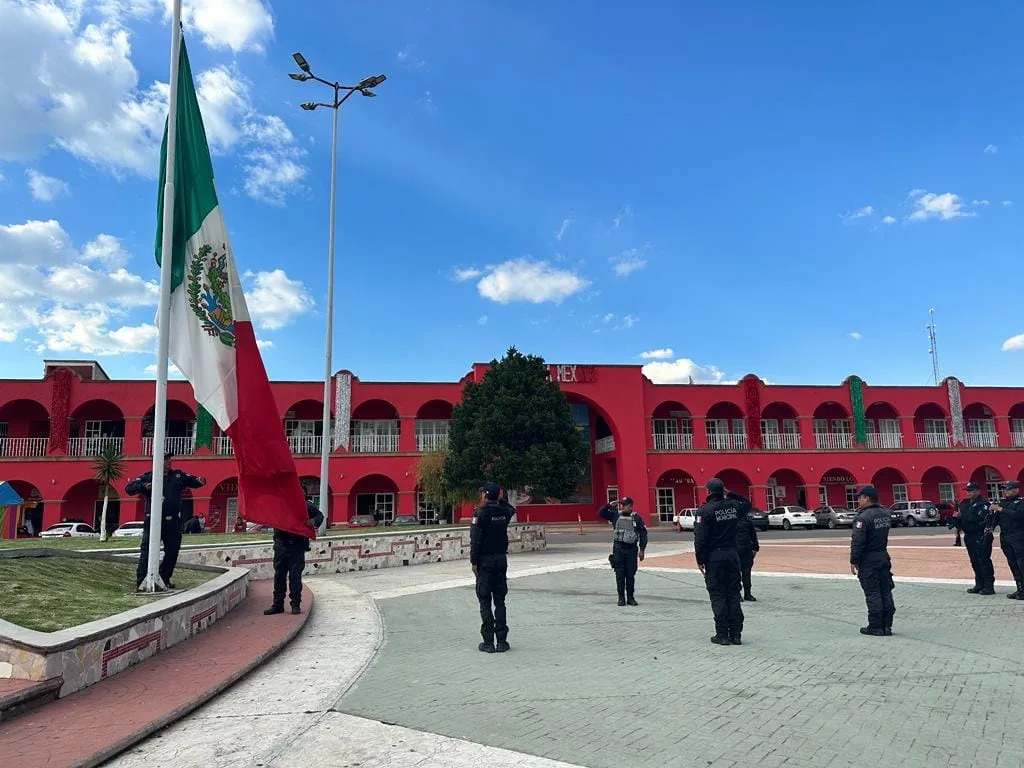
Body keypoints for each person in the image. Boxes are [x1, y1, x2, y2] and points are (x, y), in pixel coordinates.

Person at [126, 454, 205, 590]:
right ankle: (142, 580)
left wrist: (200, 480)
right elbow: (129, 488)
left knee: (172, 550)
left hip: (172, 521)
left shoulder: (177, 475)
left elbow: (195, 481)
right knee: (147, 550)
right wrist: (145, 486)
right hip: (153, 520)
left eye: (169, 459)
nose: (169, 462)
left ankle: (164, 578)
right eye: (165, 459)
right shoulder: (148, 476)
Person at [694, 478, 747, 645]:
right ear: (722, 491)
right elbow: (746, 502)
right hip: (732, 555)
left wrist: (700, 559)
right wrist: (729, 493)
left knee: (718, 594)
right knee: (733, 593)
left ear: (708, 492)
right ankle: (736, 634)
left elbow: (700, 539)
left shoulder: (705, 511)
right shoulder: (733, 506)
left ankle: (722, 634)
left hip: (714, 557)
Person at [470, 483, 516, 653]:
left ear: (485, 495)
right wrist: (500, 499)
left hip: (485, 561)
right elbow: (511, 508)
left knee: (484, 600)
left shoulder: (479, 514)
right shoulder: (504, 512)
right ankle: (502, 641)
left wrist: (473, 562)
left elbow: (475, 540)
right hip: (501, 560)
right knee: (500, 601)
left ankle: (488, 642)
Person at [850, 485, 895, 636]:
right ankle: (887, 625)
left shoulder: (863, 517)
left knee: (873, 593)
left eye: (860, 497)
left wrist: (854, 559)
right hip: (883, 556)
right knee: (886, 591)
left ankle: (875, 626)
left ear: (867, 498)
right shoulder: (885, 513)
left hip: (869, 559)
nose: (858, 500)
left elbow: (858, 540)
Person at [265, 501, 324, 616]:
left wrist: (313, 521)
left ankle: (295, 605)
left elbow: (320, 516)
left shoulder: (306, 505)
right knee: (279, 576)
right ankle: (277, 605)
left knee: (295, 576)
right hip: (281, 545)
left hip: (297, 546)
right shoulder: (280, 504)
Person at [598, 496, 648, 606]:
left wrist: (642, 549)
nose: (622, 506)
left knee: (630, 575)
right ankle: (621, 598)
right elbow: (601, 513)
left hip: (631, 549)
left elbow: (643, 533)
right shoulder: (615, 515)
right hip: (618, 549)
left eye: (625, 504)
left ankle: (630, 598)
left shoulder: (636, 518)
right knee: (619, 575)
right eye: (621, 504)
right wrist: (610, 505)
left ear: (630, 506)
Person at [956, 482, 995, 595]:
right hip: (969, 535)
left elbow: (978, 517)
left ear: (978, 491)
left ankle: (988, 586)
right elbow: (963, 516)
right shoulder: (964, 503)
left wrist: (962, 516)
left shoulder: (983, 503)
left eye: (971, 491)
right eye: (967, 491)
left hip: (981, 535)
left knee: (983, 560)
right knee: (974, 561)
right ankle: (979, 584)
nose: (968, 493)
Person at [987, 481, 1024, 599]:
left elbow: (1018, 515)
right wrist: (991, 526)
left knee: (1021, 563)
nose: (1006, 492)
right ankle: (1020, 589)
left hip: (1018, 536)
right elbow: (997, 518)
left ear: (1016, 490)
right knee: (1012, 563)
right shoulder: (1003, 503)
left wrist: (1001, 509)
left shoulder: (1021, 502)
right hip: (1005, 536)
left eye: (1008, 489)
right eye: (1005, 489)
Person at [736, 502, 760, 602]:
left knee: (746, 572)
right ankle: (738, 594)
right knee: (736, 573)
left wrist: (755, 548)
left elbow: (753, 535)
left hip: (746, 549)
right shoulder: (731, 521)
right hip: (735, 550)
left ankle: (747, 593)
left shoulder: (748, 521)